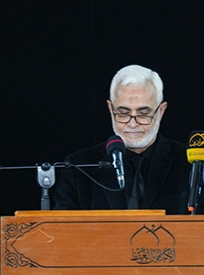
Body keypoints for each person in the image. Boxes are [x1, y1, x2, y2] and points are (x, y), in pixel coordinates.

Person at [53, 64, 192, 213]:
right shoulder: (79, 166)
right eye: (123, 113)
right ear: (110, 109)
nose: (133, 124)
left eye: (143, 114)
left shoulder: (190, 164)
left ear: (161, 111)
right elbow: (61, 225)